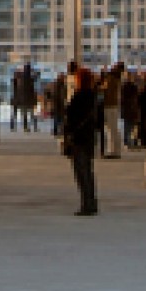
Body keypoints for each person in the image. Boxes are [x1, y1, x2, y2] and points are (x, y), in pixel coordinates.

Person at [61, 61, 101, 215]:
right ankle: (91, 201)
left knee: (81, 172)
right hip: (89, 138)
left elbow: (70, 119)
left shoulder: (78, 98)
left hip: (78, 139)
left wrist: (67, 135)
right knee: (88, 172)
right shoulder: (93, 98)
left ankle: (87, 203)